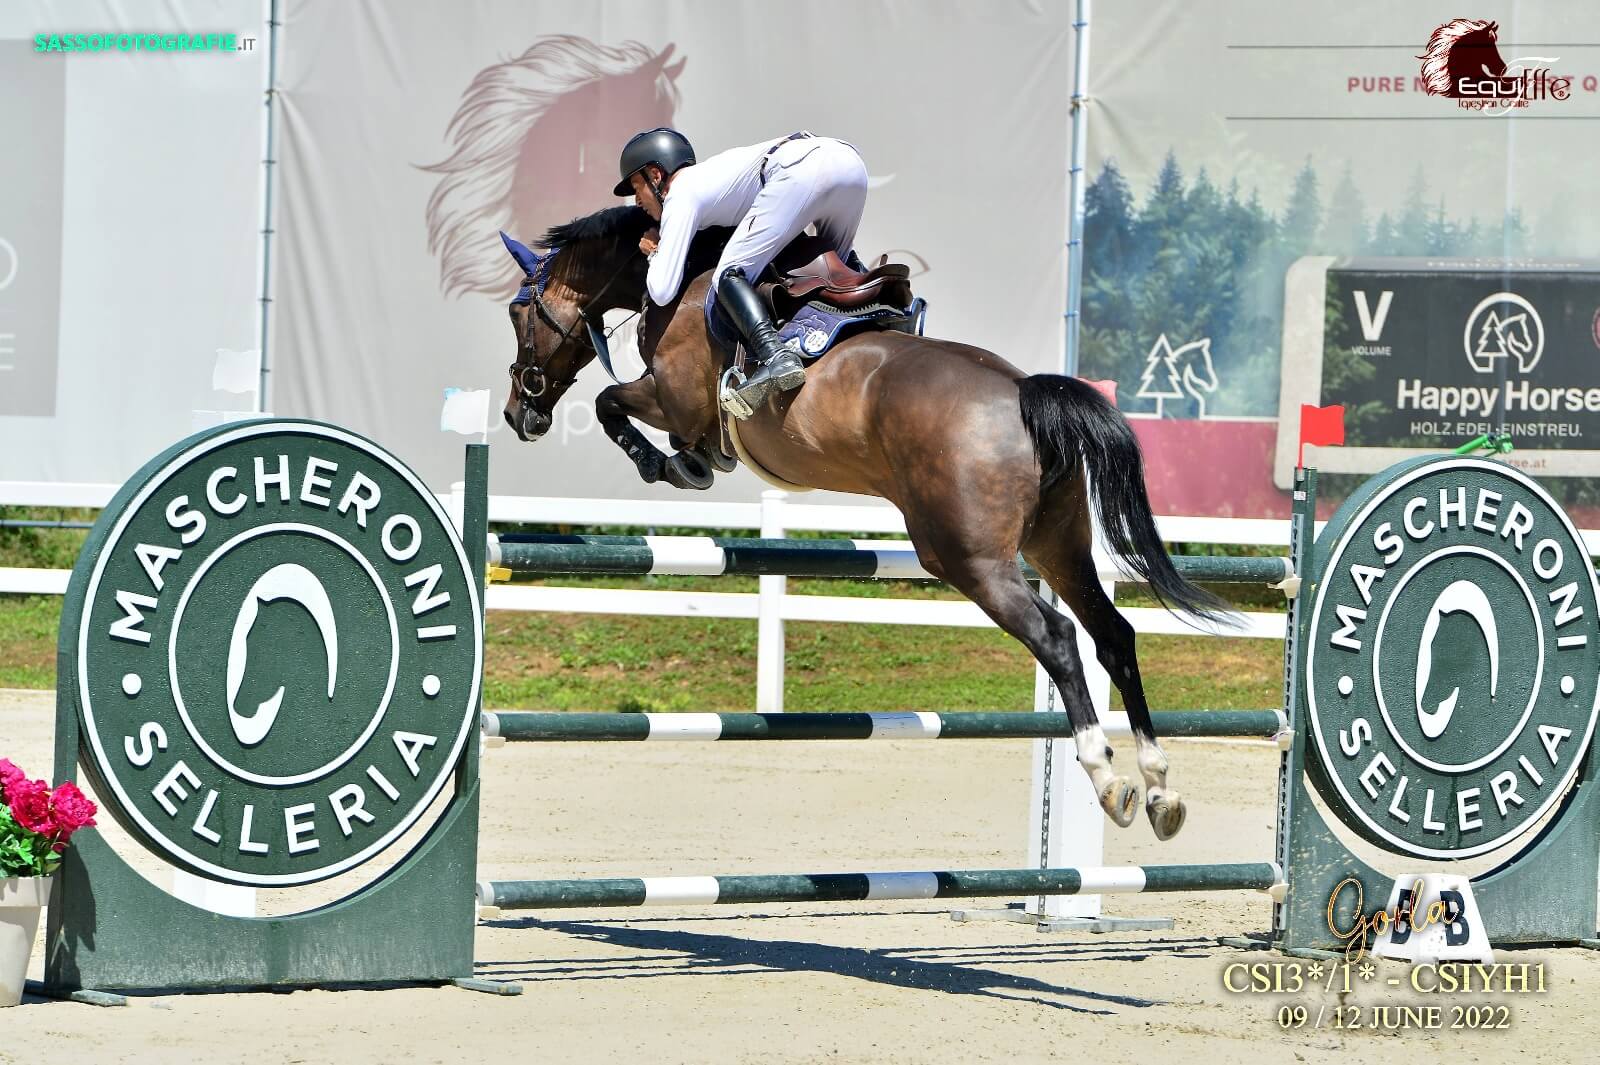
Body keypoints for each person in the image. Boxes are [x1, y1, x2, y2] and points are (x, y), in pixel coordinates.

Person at [613, 127, 869, 416]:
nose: (637, 201)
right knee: (839, 271)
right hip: (850, 162)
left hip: (800, 170)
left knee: (728, 274)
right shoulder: (713, 177)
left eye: (637, 188)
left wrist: (654, 251)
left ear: (656, 176)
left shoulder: (681, 191)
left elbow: (661, 291)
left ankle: (775, 356)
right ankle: (888, 314)